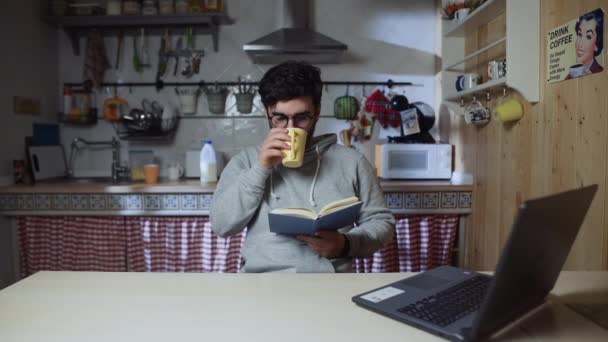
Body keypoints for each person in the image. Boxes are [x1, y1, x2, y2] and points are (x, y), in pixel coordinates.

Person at [210, 61, 395, 273]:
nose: (290, 128)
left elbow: (383, 224)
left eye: (301, 118)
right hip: (261, 283)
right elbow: (221, 225)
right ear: (267, 113)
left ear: (316, 112)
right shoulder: (246, 161)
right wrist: (260, 168)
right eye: (279, 118)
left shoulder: (352, 162)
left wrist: (345, 244)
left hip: (330, 284)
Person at [568, 9, 604, 79]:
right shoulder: (569, 77)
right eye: (579, 34)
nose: (580, 43)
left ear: (596, 44)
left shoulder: (601, 74)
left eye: (588, 36)